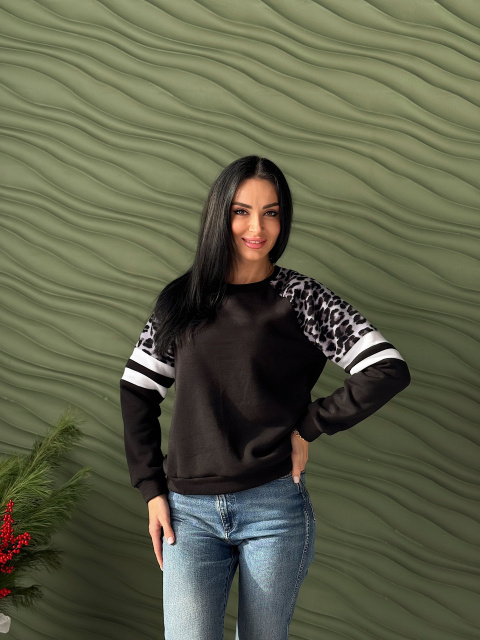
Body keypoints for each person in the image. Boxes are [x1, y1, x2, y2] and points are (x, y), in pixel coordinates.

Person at [120, 155, 410, 640]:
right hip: (188, 514)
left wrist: (309, 427)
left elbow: (387, 368)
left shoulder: (301, 298)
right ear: (220, 215)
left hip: (273, 509)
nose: (257, 228)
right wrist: (151, 489)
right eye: (242, 212)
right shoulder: (182, 300)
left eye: (271, 213)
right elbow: (137, 390)